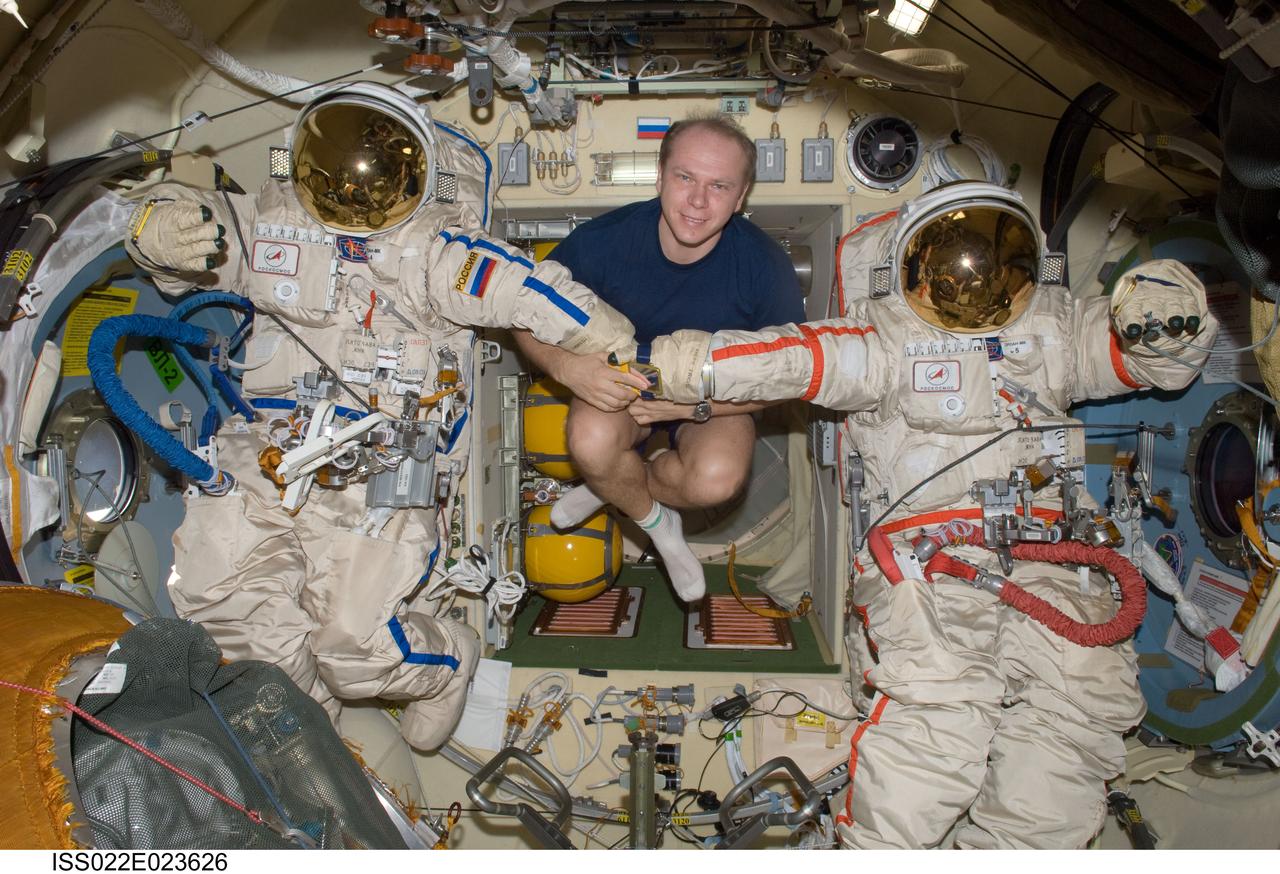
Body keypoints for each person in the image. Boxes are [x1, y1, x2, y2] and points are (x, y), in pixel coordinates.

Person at [642, 181, 1219, 847]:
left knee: (1079, 711)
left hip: (1053, 554)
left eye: (991, 260)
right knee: (940, 714)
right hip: (929, 560)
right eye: (953, 262)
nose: (972, 283)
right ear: (914, 265)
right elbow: (779, 360)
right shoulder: (883, 341)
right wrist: (665, 366)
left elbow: (1159, 362)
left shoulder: (1056, 330)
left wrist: (1165, 312)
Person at [123, 82, 635, 751]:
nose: (353, 191)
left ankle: (448, 662)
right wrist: (154, 231)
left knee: (354, 651)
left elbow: (534, 292)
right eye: (338, 171)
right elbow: (187, 221)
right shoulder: (266, 227)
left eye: (373, 177)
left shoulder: (440, 255)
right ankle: (310, 743)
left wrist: (613, 343)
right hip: (264, 449)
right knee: (230, 617)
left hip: (376, 463)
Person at [513, 114, 805, 602]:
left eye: (719, 186)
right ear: (660, 176)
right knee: (590, 442)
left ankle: (612, 487)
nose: (698, 200)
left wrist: (693, 407)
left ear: (741, 196)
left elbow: (788, 380)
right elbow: (523, 310)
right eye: (685, 177)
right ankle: (658, 524)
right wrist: (567, 367)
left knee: (715, 480)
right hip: (623, 386)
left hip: (713, 398)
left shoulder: (765, 266)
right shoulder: (605, 241)